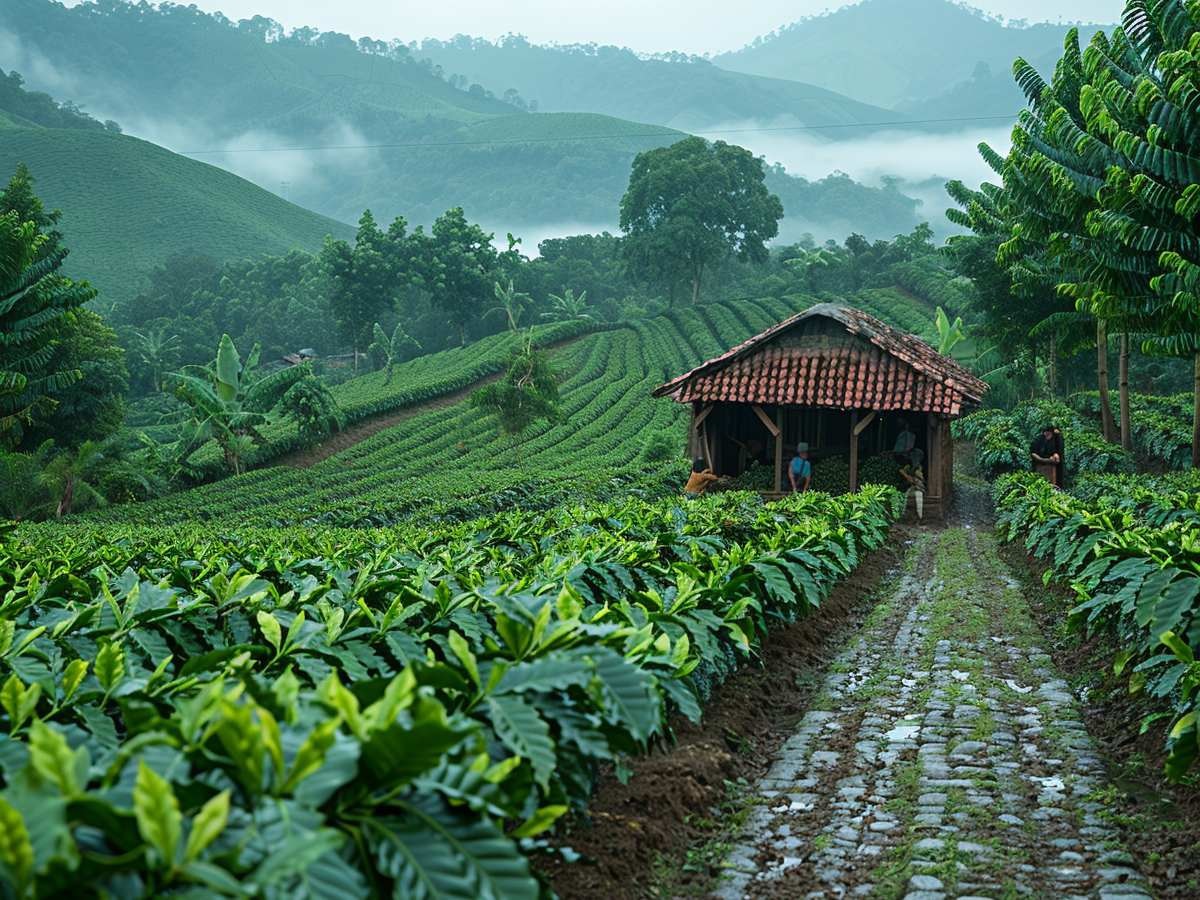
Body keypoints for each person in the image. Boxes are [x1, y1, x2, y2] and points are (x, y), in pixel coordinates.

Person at [900, 447, 926, 522]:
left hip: (918, 488)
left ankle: (919, 518)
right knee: (905, 498)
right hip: (912, 487)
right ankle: (904, 516)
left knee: (919, 498)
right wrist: (907, 476)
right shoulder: (909, 466)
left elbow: (920, 479)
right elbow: (902, 471)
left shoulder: (919, 468)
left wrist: (914, 479)